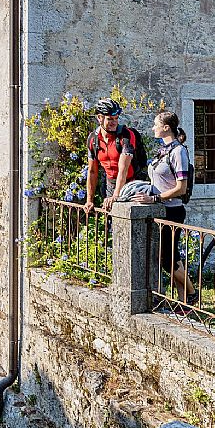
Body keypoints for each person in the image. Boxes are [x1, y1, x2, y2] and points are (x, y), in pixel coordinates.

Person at [132, 111, 197, 304]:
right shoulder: (164, 150)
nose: (153, 128)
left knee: (167, 260)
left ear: (166, 127)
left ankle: (192, 293)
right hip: (161, 210)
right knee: (172, 257)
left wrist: (154, 198)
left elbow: (181, 188)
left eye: (156, 124)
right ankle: (183, 302)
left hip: (172, 211)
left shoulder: (178, 151)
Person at [82, 98, 146, 215]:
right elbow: (92, 171)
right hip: (110, 184)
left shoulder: (126, 135)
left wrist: (116, 196)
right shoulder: (93, 139)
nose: (114, 122)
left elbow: (123, 169)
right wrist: (89, 201)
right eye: (110, 119)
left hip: (131, 184)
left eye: (116, 118)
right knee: (110, 220)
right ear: (99, 118)